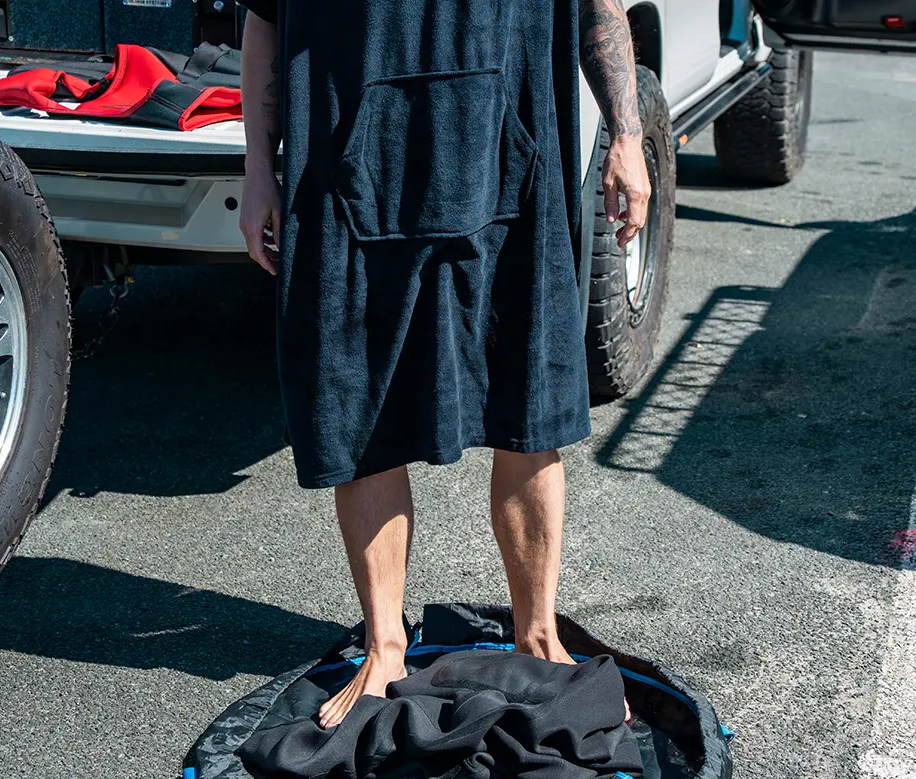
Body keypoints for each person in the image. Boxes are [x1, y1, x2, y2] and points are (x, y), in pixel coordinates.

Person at [237, 0, 649, 728]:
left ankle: (538, 634)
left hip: (506, 166)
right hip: (344, 175)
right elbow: (265, 18)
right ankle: (386, 643)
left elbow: (598, 6)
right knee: (359, 417)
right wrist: (258, 171)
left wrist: (628, 137)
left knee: (527, 412)